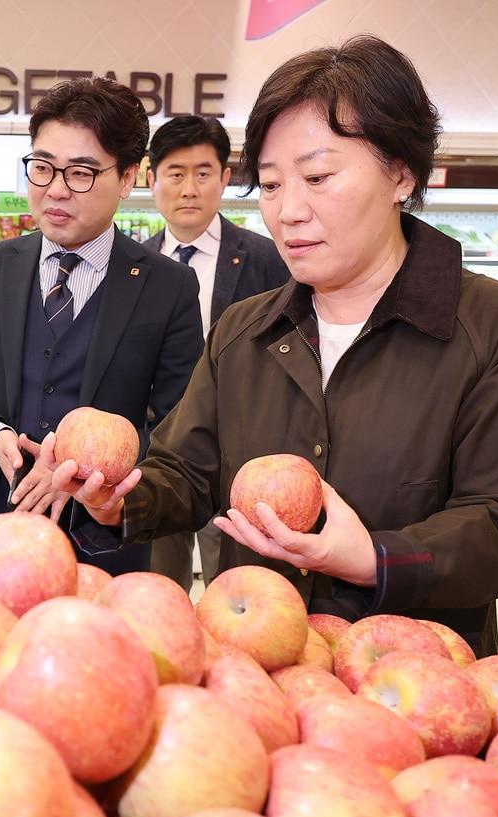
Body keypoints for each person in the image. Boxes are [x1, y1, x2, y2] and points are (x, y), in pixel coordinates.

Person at [30, 35, 498, 655]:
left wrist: (373, 557)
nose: (288, 212)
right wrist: (119, 499)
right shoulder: (244, 329)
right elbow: (186, 470)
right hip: (256, 664)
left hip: (417, 669)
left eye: (317, 177)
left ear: (401, 173)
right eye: (272, 184)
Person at [0, 77, 203, 575]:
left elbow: (181, 424)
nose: (55, 190)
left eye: (82, 174)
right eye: (42, 168)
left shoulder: (167, 285)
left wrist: (90, 468)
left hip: (103, 535)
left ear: (129, 177)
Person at [142, 115, 290, 592]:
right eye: (175, 173)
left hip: (237, 457)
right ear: (151, 180)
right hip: (155, 457)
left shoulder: (269, 259)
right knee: (159, 588)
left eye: (203, 173)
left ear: (225, 179)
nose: (189, 188)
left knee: (236, 591)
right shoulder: (132, 266)